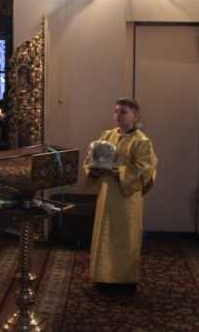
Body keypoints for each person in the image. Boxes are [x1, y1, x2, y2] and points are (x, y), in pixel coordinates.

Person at [84, 97, 158, 296]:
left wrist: (119, 171)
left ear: (135, 116)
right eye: (116, 111)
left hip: (127, 198)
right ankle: (102, 278)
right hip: (107, 195)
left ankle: (124, 281)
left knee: (125, 238)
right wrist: (93, 170)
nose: (118, 115)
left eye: (124, 112)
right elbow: (91, 159)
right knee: (104, 235)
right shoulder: (107, 135)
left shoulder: (142, 141)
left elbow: (145, 170)